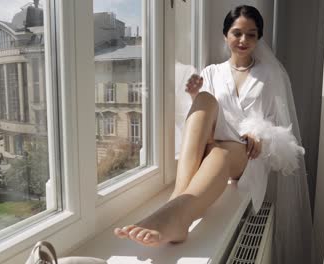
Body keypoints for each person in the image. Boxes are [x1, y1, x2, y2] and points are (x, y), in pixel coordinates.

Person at [114, 5, 313, 263]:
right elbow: (194, 119)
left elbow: (282, 129)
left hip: (245, 155)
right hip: (213, 142)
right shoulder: (211, 72)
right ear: (225, 35)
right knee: (205, 99)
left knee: (221, 151)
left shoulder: (270, 75)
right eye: (237, 33)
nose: (243, 40)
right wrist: (195, 99)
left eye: (251, 34)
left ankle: (177, 216)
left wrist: (261, 136)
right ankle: (178, 200)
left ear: (259, 38)